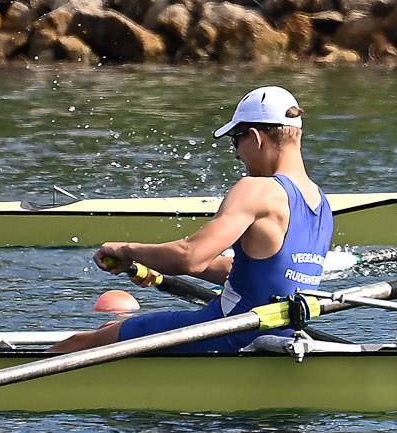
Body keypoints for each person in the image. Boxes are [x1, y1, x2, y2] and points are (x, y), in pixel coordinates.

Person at [51, 87, 331, 356]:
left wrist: (127, 251)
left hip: (225, 333)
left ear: (256, 137)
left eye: (236, 141)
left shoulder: (256, 190)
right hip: (278, 335)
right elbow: (261, 275)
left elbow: (190, 257)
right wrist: (150, 262)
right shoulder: (321, 203)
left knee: (79, 344)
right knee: (111, 328)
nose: (236, 154)